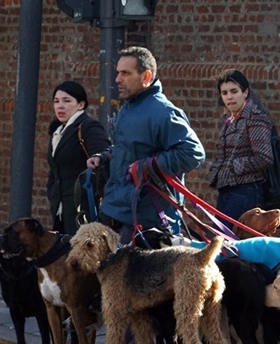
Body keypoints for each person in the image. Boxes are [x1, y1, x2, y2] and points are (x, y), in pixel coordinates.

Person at [87, 46, 205, 245]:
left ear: (146, 76)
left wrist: (148, 166)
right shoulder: (129, 107)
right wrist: (106, 156)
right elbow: (130, 148)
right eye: (118, 72)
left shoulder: (163, 112)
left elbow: (193, 153)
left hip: (147, 224)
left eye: (126, 73)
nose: (117, 79)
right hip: (117, 212)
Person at [208, 69, 274, 230]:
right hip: (227, 189)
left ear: (245, 92)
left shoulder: (255, 118)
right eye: (224, 93)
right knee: (221, 239)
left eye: (234, 91)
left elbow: (264, 158)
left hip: (246, 190)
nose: (229, 97)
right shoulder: (231, 119)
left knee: (227, 241)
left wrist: (234, 166)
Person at [47, 81, 111, 236]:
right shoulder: (58, 132)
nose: (60, 106)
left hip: (84, 209)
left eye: (67, 101)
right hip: (61, 209)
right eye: (56, 101)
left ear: (81, 104)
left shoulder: (88, 127)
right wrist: (52, 191)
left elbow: (104, 161)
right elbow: (55, 169)